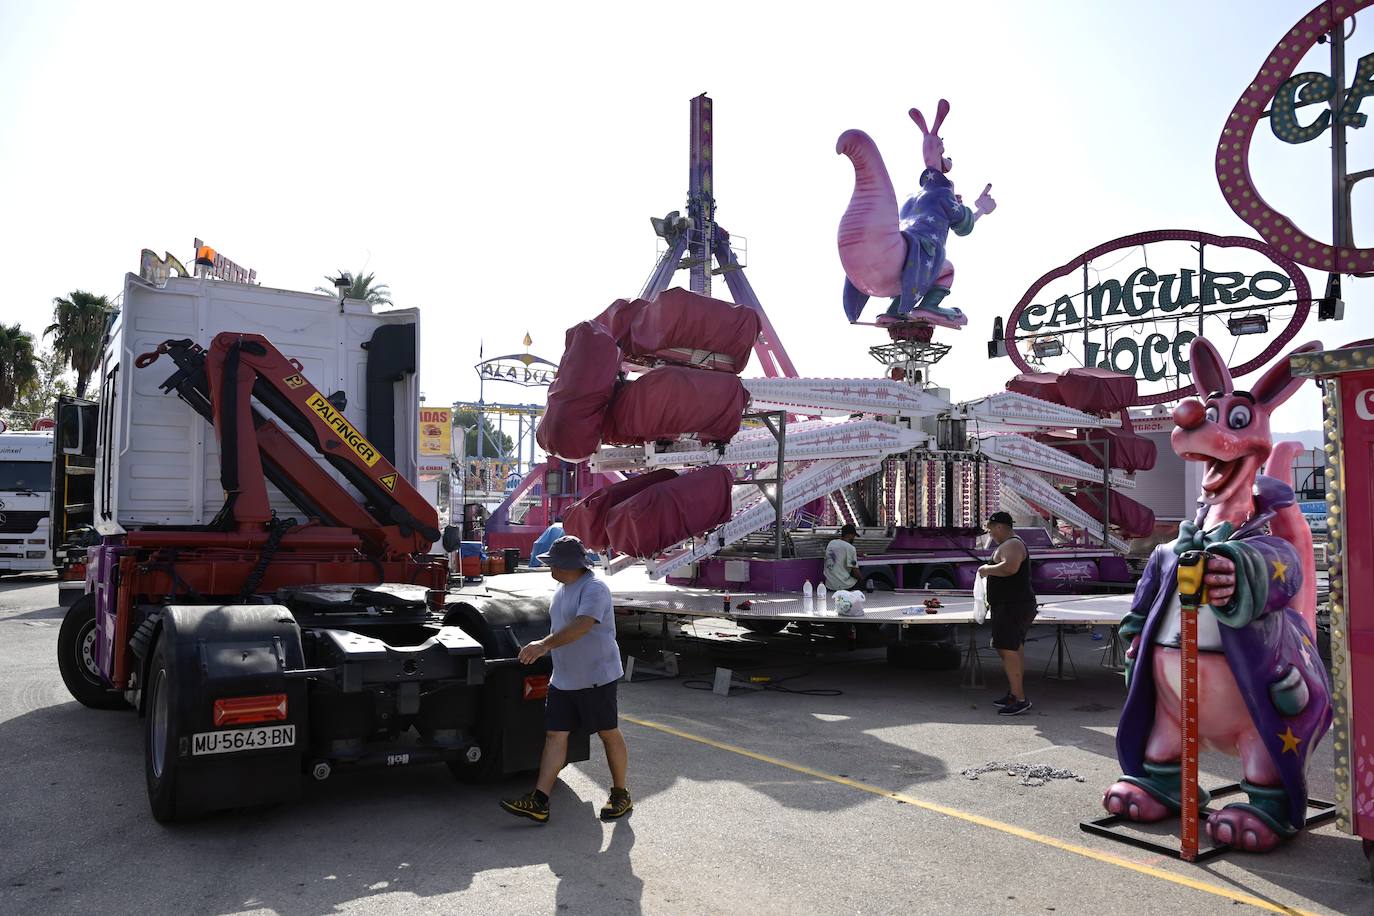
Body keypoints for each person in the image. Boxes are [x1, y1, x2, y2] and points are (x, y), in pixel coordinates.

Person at [500, 535, 631, 824]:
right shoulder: (563, 589)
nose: (549, 567)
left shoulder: (594, 588)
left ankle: (620, 793)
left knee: (607, 732)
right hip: (565, 677)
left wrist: (543, 645)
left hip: (596, 675)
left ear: (568, 565)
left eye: (552, 563)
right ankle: (540, 801)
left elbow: (583, 625)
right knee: (554, 735)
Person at [977, 511, 1037, 716]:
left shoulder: (1012, 544)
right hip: (1011, 605)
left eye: (991, 529)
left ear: (1000, 527)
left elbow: (1011, 567)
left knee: (1008, 649)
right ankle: (1014, 693)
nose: (991, 534)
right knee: (1012, 648)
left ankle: (1020, 699)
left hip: (1013, 606)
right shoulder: (1010, 543)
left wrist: (987, 569)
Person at [824, 523, 861, 593]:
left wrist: (856, 554)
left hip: (829, 585)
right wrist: (863, 581)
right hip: (843, 585)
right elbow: (856, 572)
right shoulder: (850, 548)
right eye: (853, 536)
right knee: (861, 585)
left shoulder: (831, 543)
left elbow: (839, 552)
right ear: (849, 535)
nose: (854, 538)